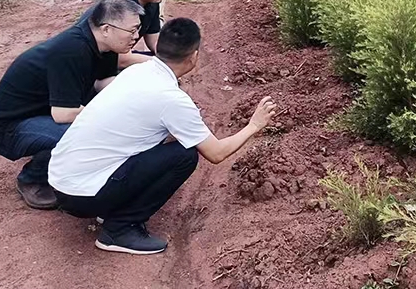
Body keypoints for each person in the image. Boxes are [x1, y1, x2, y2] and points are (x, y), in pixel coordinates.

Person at [49, 18, 277, 255]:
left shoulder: (137, 71)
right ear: (194, 56)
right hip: (81, 195)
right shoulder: (172, 99)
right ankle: (119, 229)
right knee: (184, 155)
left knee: (168, 142)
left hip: (61, 180)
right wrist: (254, 125)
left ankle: (109, 205)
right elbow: (216, 153)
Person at [0, 0, 146, 211]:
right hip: (8, 127)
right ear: (106, 29)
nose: (136, 37)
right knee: (86, 131)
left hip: (42, 112)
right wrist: (109, 119)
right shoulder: (72, 50)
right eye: (132, 31)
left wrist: (139, 92)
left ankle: (58, 156)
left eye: (138, 30)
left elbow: (101, 83)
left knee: (105, 119)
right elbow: (63, 114)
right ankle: (33, 179)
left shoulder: (106, 47)